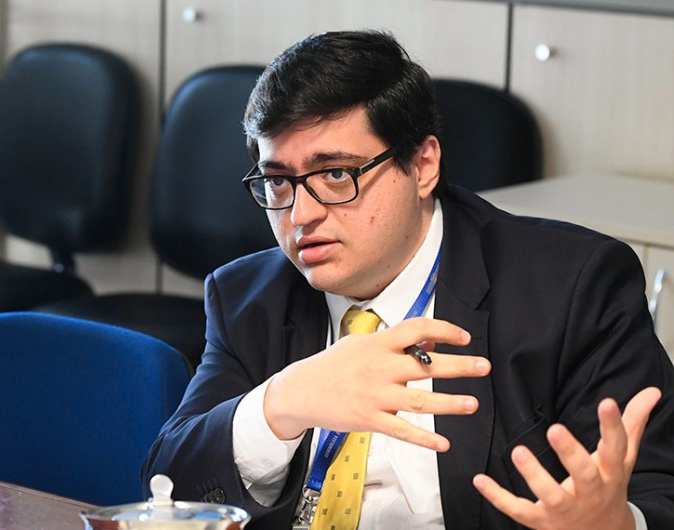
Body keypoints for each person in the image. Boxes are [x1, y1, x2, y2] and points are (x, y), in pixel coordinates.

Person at [141, 30, 674, 529]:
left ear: (422, 166)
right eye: (278, 182)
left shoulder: (569, 286)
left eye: (336, 174)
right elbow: (169, 489)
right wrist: (281, 402)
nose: (301, 214)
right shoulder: (248, 297)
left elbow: (658, 488)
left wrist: (617, 523)